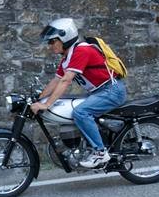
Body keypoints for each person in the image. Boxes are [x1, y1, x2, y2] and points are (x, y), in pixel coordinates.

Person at [29, 18, 127, 168]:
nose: (50, 45)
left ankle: (100, 152)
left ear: (65, 38)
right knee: (73, 107)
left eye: (52, 41)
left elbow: (66, 80)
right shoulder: (67, 59)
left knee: (81, 112)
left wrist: (47, 104)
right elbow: (56, 81)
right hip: (99, 91)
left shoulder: (82, 51)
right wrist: (38, 99)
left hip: (111, 91)